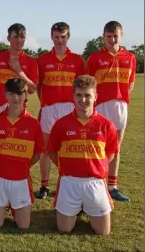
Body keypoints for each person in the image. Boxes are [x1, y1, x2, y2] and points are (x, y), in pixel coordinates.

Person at [48, 75, 118, 235]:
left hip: (95, 181)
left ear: (95, 97)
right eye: (79, 95)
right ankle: (80, 206)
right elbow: (52, 151)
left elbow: (110, 154)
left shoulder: (106, 125)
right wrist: (66, 167)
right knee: (64, 229)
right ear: (73, 96)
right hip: (69, 181)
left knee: (103, 232)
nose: (83, 99)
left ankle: (88, 206)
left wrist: (94, 166)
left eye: (88, 95)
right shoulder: (61, 123)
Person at [86, 21, 136, 202]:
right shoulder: (94, 58)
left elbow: (130, 83)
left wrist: (121, 98)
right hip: (100, 106)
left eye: (115, 36)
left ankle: (113, 186)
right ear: (103, 36)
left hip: (121, 106)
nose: (112, 40)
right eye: (108, 36)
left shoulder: (130, 57)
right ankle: (97, 181)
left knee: (116, 147)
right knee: (97, 147)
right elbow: (89, 84)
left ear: (121, 35)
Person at [35, 22, 85, 199]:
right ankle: (44, 185)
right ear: (51, 37)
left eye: (63, 37)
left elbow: (81, 88)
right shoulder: (43, 59)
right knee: (46, 148)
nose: (60, 40)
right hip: (49, 108)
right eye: (56, 37)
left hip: (70, 108)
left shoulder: (77, 60)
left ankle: (67, 180)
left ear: (68, 37)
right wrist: (46, 104)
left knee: (69, 147)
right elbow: (38, 86)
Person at [0, 78, 45, 229]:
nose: (16, 98)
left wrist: (24, 166)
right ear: (6, 94)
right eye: (12, 93)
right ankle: (1, 205)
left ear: (26, 95)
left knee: (23, 226)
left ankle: (13, 205)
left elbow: (38, 154)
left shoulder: (33, 123)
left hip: (21, 180)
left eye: (20, 94)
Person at [0, 23, 39, 191]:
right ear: (8, 38)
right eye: (15, 37)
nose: (19, 40)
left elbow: (32, 89)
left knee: (13, 146)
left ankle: (16, 178)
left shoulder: (30, 61)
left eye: (22, 37)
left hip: (17, 109)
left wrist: (19, 71)